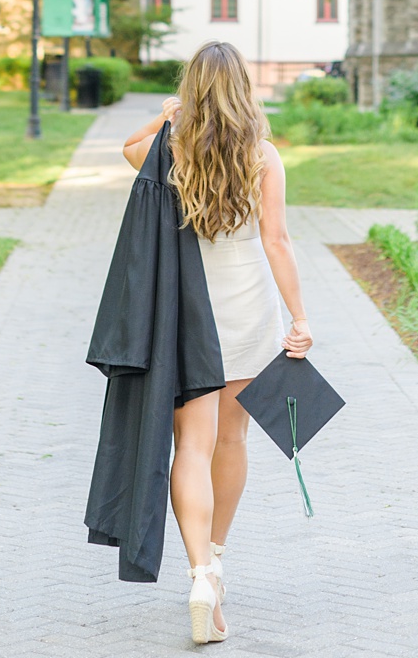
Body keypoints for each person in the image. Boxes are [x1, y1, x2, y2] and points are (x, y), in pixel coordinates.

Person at [121, 41, 315, 645]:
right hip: (246, 312)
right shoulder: (263, 155)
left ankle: (200, 570)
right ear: (244, 90)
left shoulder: (170, 149)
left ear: (194, 89)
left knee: (192, 446)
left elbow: (127, 148)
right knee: (232, 439)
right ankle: (218, 564)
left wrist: (166, 114)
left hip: (185, 317)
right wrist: (300, 317)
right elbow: (277, 241)